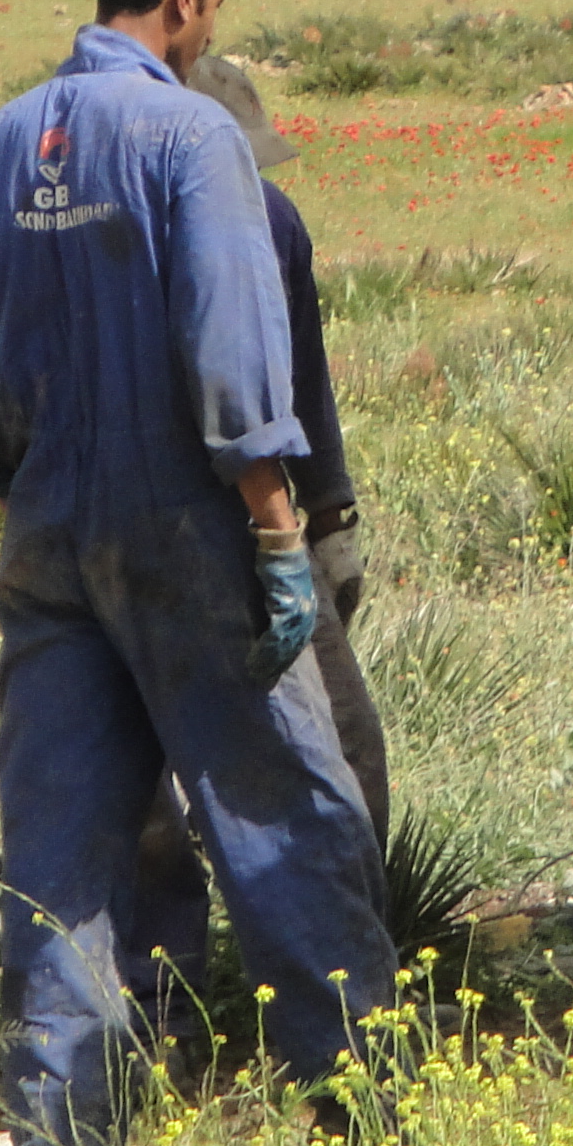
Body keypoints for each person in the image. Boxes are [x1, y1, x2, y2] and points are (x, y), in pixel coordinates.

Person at [0, 0, 393, 1146]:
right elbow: (233, 356)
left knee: (62, 852)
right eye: (216, 7)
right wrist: (277, 534)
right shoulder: (194, 136)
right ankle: (355, 1131)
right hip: (193, 530)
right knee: (290, 819)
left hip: (46, 535)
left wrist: (26, 487)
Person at [123, 52, 389, 1032]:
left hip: (138, 532)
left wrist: (332, 517)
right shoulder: (228, 226)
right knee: (330, 763)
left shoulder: (256, 223)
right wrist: (312, 525)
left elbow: (301, 379)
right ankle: (332, 1016)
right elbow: (280, 396)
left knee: (154, 787)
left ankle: (175, 1012)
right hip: (234, 531)